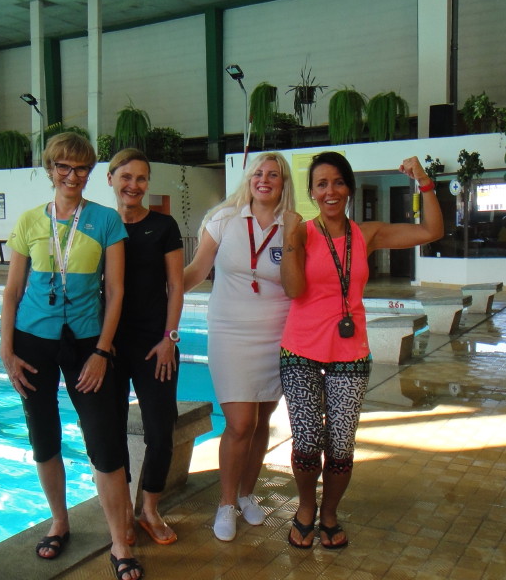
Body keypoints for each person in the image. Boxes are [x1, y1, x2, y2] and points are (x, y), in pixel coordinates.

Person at [279, 153, 443, 549]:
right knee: (307, 443)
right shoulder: (302, 232)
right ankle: (306, 508)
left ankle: (330, 513)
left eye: (338, 182)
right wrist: (289, 238)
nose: (330, 191)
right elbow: (293, 289)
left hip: (350, 354)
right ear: (312, 192)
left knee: (340, 446)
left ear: (349, 188)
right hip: (300, 350)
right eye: (321, 184)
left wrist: (424, 181)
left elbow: (431, 231)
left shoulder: (365, 234)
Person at [0, 132, 142, 580]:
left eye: (81, 168)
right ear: (50, 170)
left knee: (105, 442)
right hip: (32, 339)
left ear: (90, 172)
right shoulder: (28, 222)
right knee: (44, 438)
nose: (72, 175)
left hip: (87, 342)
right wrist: (6, 350)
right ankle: (59, 522)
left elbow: (116, 291)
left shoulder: (105, 221)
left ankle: (119, 542)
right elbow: (12, 291)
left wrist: (101, 350)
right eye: (63, 166)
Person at [182, 152, 296, 542]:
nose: (264, 180)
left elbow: (298, 282)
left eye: (273, 175)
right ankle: (226, 503)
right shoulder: (224, 219)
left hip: (277, 334)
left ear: (283, 183)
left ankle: (248, 494)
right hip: (230, 333)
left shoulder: (292, 226)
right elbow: (197, 270)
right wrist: (164, 292)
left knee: (262, 420)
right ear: (248, 179)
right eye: (258, 173)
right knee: (240, 423)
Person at [107, 148, 184, 546]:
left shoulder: (163, 225)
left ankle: (150, 509)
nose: (133, 185)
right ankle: (122, 510)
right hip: (109, 346)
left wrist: (170, 338)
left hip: (155, 344)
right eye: (126, 177)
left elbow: (176, 286)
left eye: (141, 178)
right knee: (111, 430)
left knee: (160, 428)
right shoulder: (101, 226)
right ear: (111, 180)